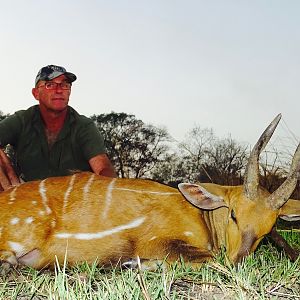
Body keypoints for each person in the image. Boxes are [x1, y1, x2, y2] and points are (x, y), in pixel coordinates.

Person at [0, 64, 116, 190]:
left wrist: (109, 188)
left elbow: (103, 168)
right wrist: (8, 172)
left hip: (73, 201)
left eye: (65, 85)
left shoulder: (84, 126)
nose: (59, 90)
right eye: (50, 85)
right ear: (36, 93)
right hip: (28, 199)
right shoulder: (21, 120)